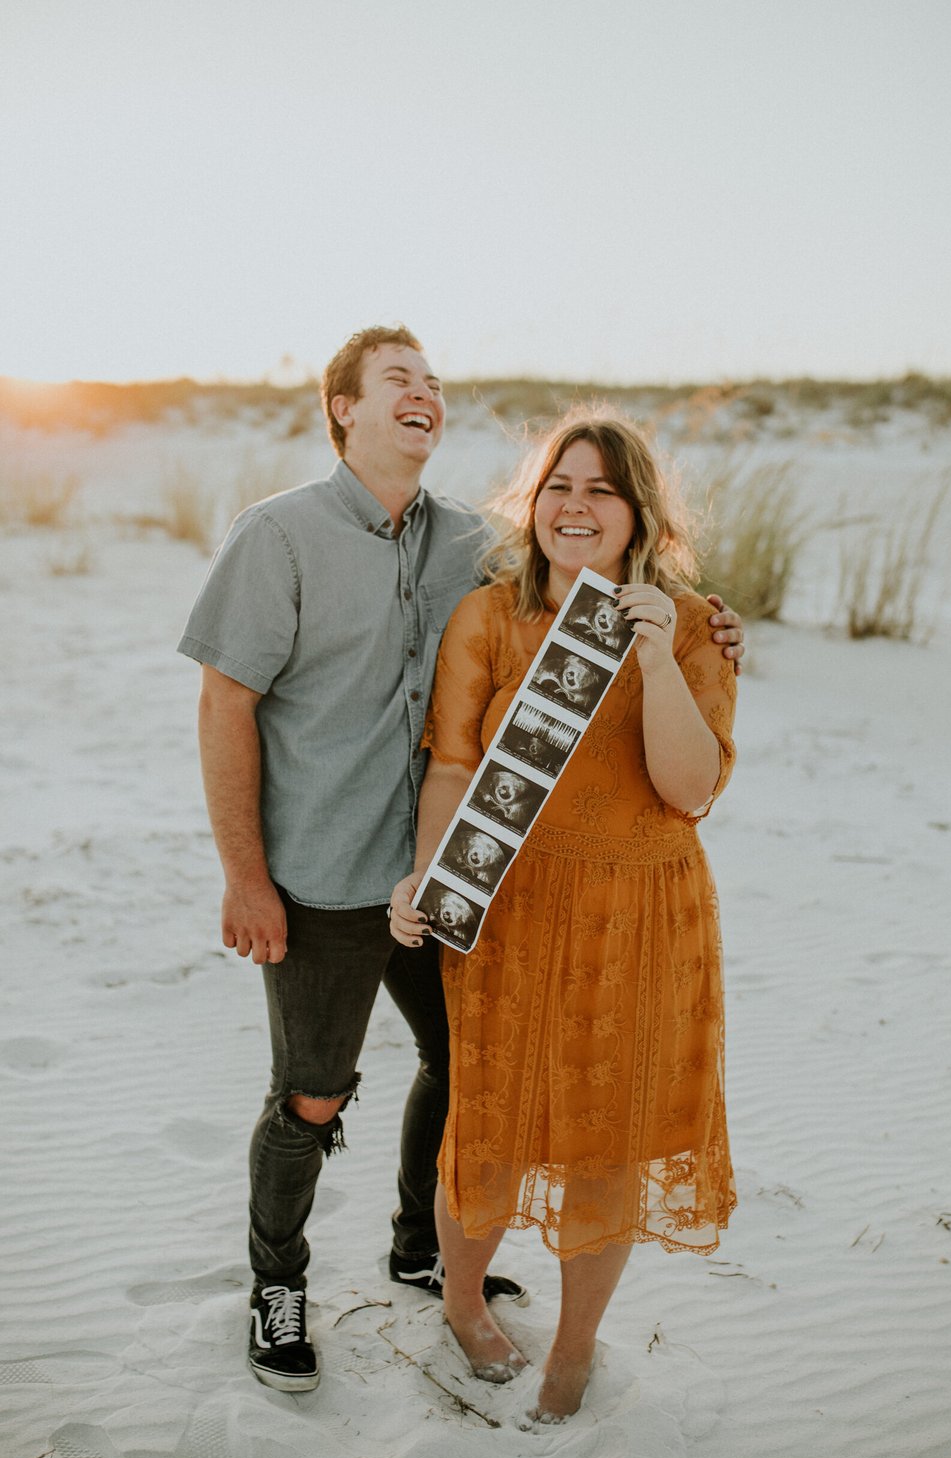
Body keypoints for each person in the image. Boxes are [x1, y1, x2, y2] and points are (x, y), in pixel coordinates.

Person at [178, 326, 745, 1393]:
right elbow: (226, 704)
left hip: (467, 887)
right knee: (312, 1092)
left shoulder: (464, 543)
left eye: (434, 383)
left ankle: (420, 1249)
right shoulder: (280, 535)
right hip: (329, 869)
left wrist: (702, 631)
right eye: (399, 379)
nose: (425, 394)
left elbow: (586, 585)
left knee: (462, 1073)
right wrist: (243, 874)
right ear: (340, 406)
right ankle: (278, 1284)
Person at [389, 410, 737, 1427]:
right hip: (516, 908)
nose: (575, 509)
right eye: (558, 487)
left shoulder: (686, 624)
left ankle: (574, 1352)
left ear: (639, 516)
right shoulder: (487, 618)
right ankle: (460, 1301)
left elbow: (688, 788)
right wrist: (432, 883)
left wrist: (659, 655)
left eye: (601, 491)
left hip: (641, 915)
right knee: (487, 1125)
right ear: (530, 503)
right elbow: (451, 762)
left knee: (606, 1147)